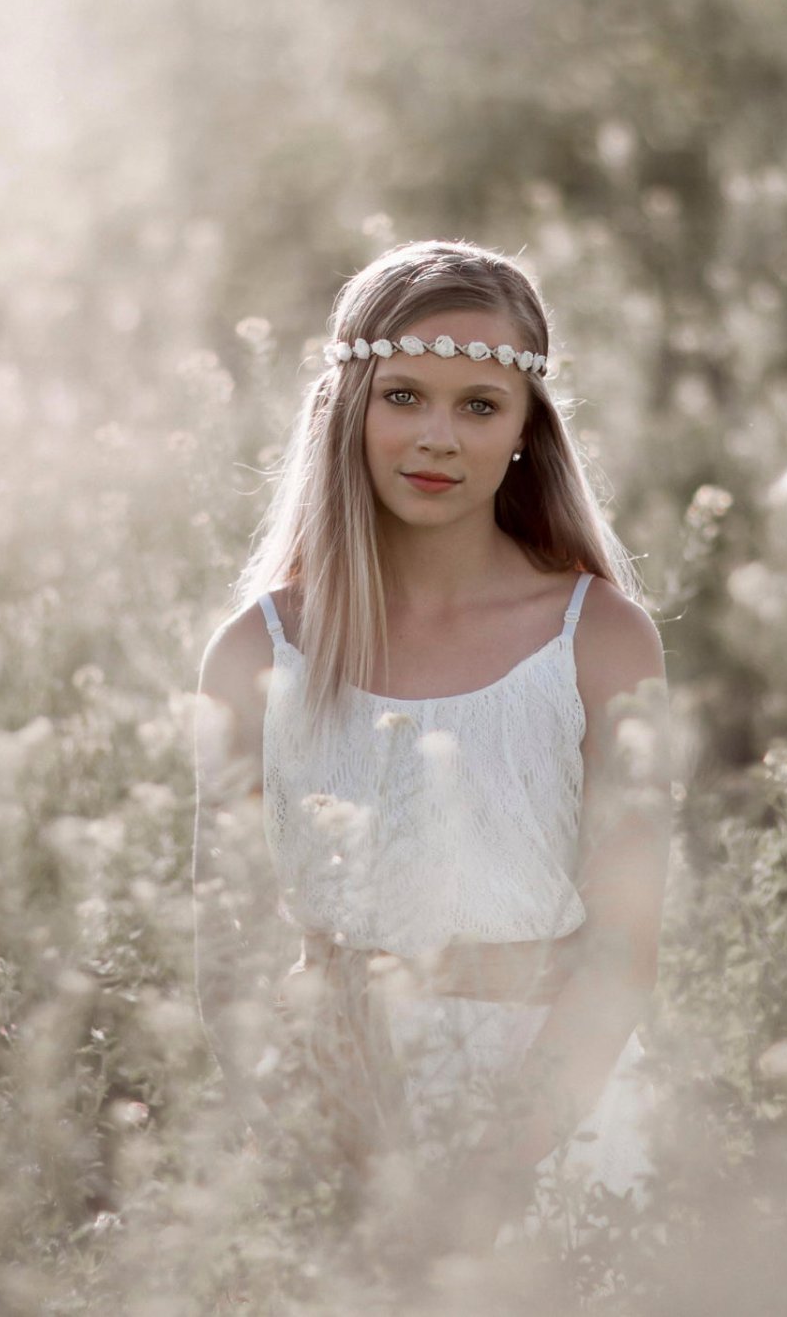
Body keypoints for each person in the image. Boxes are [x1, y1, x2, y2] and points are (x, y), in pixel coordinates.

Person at [190, 239, 674, 1266]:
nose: (438, 438)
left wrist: (487, 1181)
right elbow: (225, 956)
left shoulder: (601, 638)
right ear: (348, 409)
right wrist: (334, 1150)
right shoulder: (257, 650)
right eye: (404, 394)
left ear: (525, 429)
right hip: (331, 1112)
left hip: (557, 1112)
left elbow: (624, 954)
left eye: (479, 405)